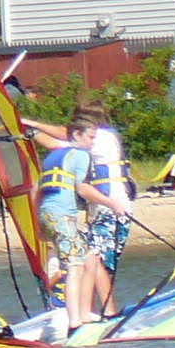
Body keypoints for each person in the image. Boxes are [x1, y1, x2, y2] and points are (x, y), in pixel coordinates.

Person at [28, 103, 132, 314]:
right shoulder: (87, 142)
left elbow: (61, 138)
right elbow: (58, 143)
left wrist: (31, 124)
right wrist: (30, 133)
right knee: (92, 259)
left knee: (97, 261)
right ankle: (96, 312)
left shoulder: (102, 136)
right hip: (102, 207)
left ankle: (107, 312)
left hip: (112, 205)